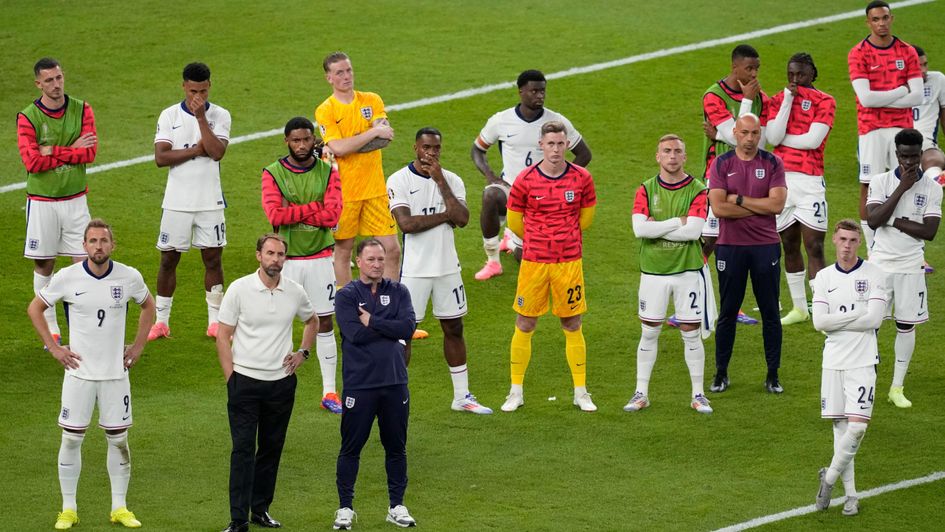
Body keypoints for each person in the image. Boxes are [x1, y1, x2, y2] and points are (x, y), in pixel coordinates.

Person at [27, 219, 155, 530]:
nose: (98, 246)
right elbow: (35, 308)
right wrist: (55, 349)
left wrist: (138, 346)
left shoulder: (129, 277)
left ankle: (120, 507)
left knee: (119, 440)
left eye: (103, 241)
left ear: (113, 245)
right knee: (71, 440)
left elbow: (149, 307)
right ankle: (68, 509)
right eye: (93, 241)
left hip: (115, 375)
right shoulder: (67, 277)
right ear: (84, 246)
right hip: (79, 375)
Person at [216, 233, 319, 532]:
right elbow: (223, 335)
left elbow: (312, 321)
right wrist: (231, 377)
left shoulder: (295, 291)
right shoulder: (239, 289)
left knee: (272, 449)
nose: (276, 259)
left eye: (281, 254)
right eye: (271, 253)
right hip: (245, 383)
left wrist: (303, 352)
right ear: (258, 255)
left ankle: (260, 510)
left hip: (281, 384)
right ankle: (238, 520)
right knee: (243, 450)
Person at [387, 127, 492, 414]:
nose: (430, 153)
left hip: (448, 269)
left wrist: (440, 181)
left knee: (454, 327)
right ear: (415, 148)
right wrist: (446, 215)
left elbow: (463, 219)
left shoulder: (453, 180)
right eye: (425, 148)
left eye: (435, 148)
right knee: (404, 333)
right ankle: (394, 396)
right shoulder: (399, 179)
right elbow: (406, 224)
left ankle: (462, 397)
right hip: (414, 271)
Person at [500, 121, 598, 413]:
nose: (555, 149)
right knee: (525, 322)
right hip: (533, 263)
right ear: (540, 145)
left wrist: (563, 240)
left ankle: (580, 392)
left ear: (567, 145)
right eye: (550, 144)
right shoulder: (525, 180)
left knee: (572, 323)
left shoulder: (582, 178)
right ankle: (515, 391)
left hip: (568, 263)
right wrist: (539, 240)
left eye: (560, 143)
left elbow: (586, 218)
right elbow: (515, 220)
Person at [470, 69, 592, 281]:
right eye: (534, 91)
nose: (540, 96)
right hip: (510, 188)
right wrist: (490, 176)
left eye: (542, 91)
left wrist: (559, 181)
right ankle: (493, 260)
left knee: (527, 259)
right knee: (490, 194)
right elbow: (477, 149)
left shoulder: (556, 122)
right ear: (521, 92)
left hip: (541, 197)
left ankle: (512, 239)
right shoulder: (501, 120)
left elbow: (584, 154)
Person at [261, 117, 344, 414]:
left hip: (320, 259)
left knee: (325, 322)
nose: (301, 145)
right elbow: (274, 214)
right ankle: (273, 386)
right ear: (287, 141)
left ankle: (330, 391)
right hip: (287, 261)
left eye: (306, 140)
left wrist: (293, 211)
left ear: (313, 140)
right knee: (277, 322)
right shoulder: (272, 173)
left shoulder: (328, 171)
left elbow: (333, 215)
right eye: (295, 140)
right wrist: (314, 208)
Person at [333, 239, 417, 530]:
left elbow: (408, 328)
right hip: (360, 385)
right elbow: (354, 334)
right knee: (351, 448)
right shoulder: (346, 296)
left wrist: (373, 321)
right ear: (357, 261)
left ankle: (396, 506)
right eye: (371, 259)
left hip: (395, 382)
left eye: (381, 259)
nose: (377, 264)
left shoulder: (399, 291)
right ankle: (345, 508)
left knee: (396, 447)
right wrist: (388, 328)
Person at [626, 134, 712, 414]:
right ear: (658, 156)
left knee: (690, 332)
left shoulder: (698, 189)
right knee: (649, 332)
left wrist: (658, 225)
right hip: (653, 272)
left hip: (687, 272)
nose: (672, 156)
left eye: (677, 151)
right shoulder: (646, 189)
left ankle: (698, 395)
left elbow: (694, 232)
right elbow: (640, 229)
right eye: (667, 151)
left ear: (685, 157)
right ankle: (641, 393)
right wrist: (678, 221)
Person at [18, 57, 98, 348]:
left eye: (59, 78)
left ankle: (85, 328)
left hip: (76, 200)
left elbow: (89, 153)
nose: (56, 84)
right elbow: (31, 161)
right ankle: (51, 327)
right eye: (49, 80)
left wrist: (49, 149)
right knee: (44, 263)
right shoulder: (28, 116)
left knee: (84, 264)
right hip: (43, 201)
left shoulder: (82, 109)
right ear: (38, 83)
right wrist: (68, 149)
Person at [149, 62, 232, 341]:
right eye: (194, 90)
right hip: (176, 202)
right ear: (184, 85)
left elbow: (218, 151)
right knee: (168, 259)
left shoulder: (220, 115)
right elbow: (161, 157)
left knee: (212, 258)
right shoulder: (168, 115)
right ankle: (161, 321)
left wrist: (200, 119)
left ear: (210, 86)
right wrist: (198, 149)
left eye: (204, 91)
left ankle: (215, 322)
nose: (199, 97)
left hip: (210, 201)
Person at [811, 219, 887, 517]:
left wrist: (837, 321)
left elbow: (875, 321)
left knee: (856, 429)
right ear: (834, 240)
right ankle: (851, 496)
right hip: (833, 362)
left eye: (853, 240)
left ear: (859, 243)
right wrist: (858, 312)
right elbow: (819, 323)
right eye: (842, 239)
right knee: (841, 429)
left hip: (863, 360)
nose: (847, 245)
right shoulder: (824, 277)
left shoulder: (875, 274)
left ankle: (828, 480)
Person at [707, 114, 787, 394]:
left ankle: (773, 374)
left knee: (770, 312)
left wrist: (739, 199)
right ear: (735, 133)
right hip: (731, 246)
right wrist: (759, 206)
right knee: (728, 311)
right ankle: (720, 373)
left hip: (765, 247)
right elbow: (719, 209)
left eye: (755, 133)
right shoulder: (721, 163)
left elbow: (777, 205)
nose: (750, 139)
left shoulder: (773, 162)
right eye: (745, 133)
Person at [865, 128, 942, 408]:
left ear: (921, 155)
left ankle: (897, 387)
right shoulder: (881, 181)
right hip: (881, 265)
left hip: (911, 266)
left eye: (914, 157)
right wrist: (902, 189)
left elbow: (929, 231)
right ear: (896, 155)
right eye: (904, 157)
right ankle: (867, 380)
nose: (910, 163)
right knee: (871, 324)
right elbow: (873, 220)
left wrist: (894, 220)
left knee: (906, 325)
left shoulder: (933, 188)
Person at [315, 52, 401, 288]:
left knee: (392, 250)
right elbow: (338, 148)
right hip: (345, 194)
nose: (346, 76)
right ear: (329, 78)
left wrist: (351, 142)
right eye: (339, 72)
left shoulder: (371, 100)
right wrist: (371, 133)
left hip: (375, 190)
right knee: (343, 251)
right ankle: (347, 306)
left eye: (349, 70)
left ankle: (390, 303)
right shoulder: (325, 110)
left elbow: (385, 138)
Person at [765, 53, 836, 325]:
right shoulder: (778, 99)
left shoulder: (825, 100)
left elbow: (813, 140)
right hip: (780, 181)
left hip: (809, 181)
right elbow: (772, 137)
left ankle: (821, 307)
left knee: (815, 245)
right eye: (791, 74)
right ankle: (799, 308)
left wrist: (783, 141)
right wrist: (787, 101)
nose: (796, 80)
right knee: (788, 244)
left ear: (813, 74)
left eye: (801, 75)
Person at [700, 44, 768, 325]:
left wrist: (725, 133)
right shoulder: (713, 96)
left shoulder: (759, 96)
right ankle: (688, 303)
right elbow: (741, 137)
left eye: (757, 68)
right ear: (735, 67)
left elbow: (756, 140)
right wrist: (746, 106)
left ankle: (731, 307)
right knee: (707, 242)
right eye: (749, 68)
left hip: (749, 177)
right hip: (718, 177)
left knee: (736, 244)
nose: (754, 74)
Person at [848, 0, 923, 250]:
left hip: (901, 130)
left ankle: (914, 246)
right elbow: (865, 99)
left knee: (910, 180)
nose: (881, 23)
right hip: (871, 129)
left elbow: (918, 96)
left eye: (885, 18)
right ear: (868, 22)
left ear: (892, 19)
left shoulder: (907, 51)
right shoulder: (858, 53)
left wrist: (883, 97)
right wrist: (901, 90)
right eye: (876, 19)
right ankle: (872, 248)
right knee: (869, 184)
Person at [912, 46, 945, 153]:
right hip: (897, 142)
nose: (924, 70)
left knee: (934, 164)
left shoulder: (937, 80)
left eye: (925, 64)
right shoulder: (893, 85)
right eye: (918, 66)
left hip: (925, 142)